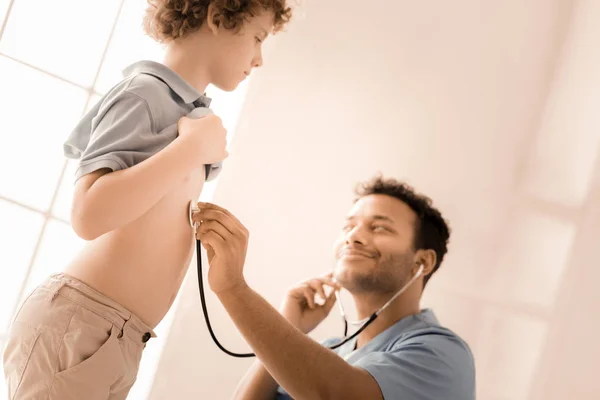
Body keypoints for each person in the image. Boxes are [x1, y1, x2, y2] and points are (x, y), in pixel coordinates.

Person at [2, 1, 292, 399]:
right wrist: (188, 152)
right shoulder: (144, 93)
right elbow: (88, 215)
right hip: (84, 327)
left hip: (117, 336)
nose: (258, 58)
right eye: (258, 38)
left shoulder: (186, 112)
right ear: (219, 17)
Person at [193, 176, 476, 400]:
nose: (353, 237)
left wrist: (232, 287)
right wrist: (289, 324)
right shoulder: (330, 353)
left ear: (422, 261)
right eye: (349, 226)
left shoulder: (442, 354)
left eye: (379, 228)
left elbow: (334, 395)